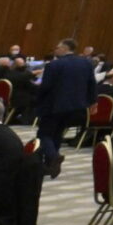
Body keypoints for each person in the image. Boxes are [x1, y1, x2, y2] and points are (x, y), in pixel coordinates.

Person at [33, 36, 96, 178]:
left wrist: (37, 100)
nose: (55, 50)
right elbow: (91, 83)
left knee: (44, 134)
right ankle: (51, 165)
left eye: (58, 47)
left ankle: (53, 156)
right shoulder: (86, 63)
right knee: (57, 133)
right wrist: (93, 101)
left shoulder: (54, 65)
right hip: (75, 106)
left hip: (53, 105)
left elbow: (46, 87)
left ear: (65, 48)